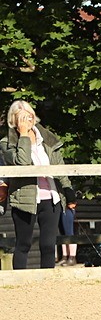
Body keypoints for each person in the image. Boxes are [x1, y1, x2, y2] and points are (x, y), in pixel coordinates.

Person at [0, 101, 74, 270]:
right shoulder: (7, 143)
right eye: (22, 115)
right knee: (23, 244)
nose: (27, 118)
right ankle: (20, 282)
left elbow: (59, 166)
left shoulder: (47, 139)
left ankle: (46, 283)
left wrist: (68, 190)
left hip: (51, 198)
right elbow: (23, 163)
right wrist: (24, 135)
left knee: (48, 245)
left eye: (29, 113)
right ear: (14, 119)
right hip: (25, 200)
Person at [57, 186, 80, 266]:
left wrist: (71, 202)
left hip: (67, 207)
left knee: (69, 232)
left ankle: (72, 257)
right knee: (62, 232)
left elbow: (68, 190)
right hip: (61, 206)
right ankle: (64, 256)